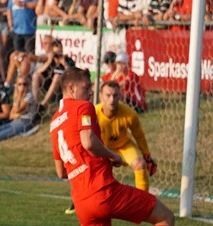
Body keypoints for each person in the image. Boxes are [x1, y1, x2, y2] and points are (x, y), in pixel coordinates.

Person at [38, 66, 182, 226]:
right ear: (71, 88)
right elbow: (88, 141)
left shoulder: (54, 122)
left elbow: (60, 171)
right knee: (165, 217)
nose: (90, 92)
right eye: (86, 87)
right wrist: (112, 155)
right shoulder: (83, 107)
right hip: (102, 191)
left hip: (81, 203)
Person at [65, 79, 157, 215]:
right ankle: (77, 201)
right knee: (85, 169)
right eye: (108, 95)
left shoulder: (130, 114)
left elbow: (139, 136)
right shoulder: (93, 112)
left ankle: (143, 204)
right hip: (102, 149)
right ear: (101, 97)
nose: (112, 99)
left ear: (120, 96)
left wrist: (147, 155)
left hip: (123, 146)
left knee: (140, 164)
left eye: (115, 95)